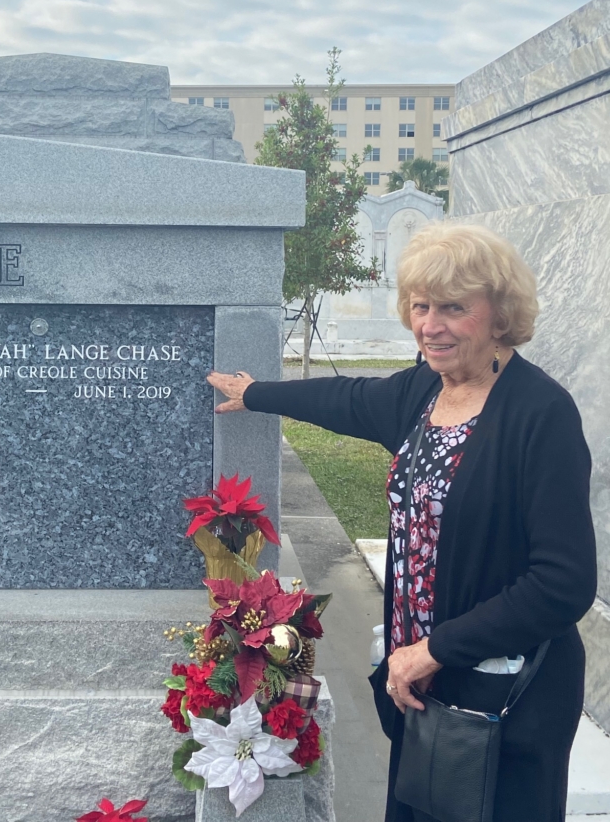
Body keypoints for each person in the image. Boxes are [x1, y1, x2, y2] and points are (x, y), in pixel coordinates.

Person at [207, 223, 597, 822]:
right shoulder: (424, 389)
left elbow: (563, 582)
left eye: (452, 308)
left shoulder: (541, 415)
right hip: (423, 686)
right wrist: (257, 393)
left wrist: (433, 651)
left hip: (504, 697)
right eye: (420, 306)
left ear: (500, 315)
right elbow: (349, 400)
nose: (429, 325)